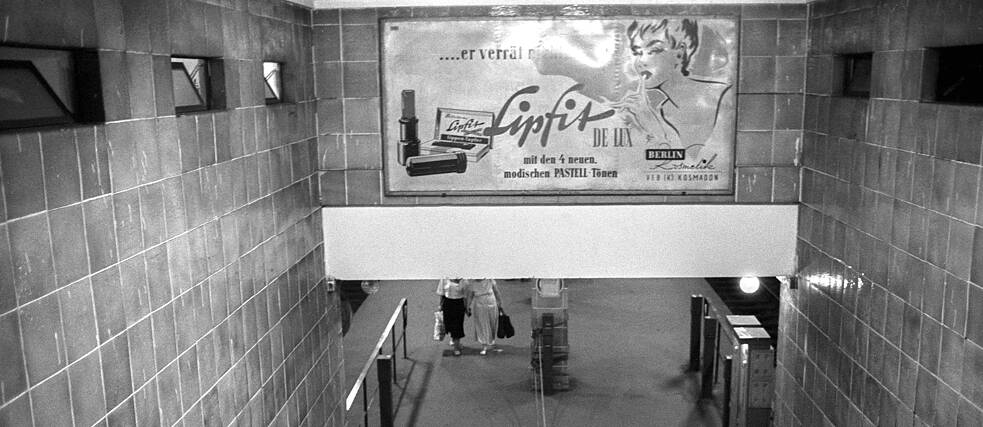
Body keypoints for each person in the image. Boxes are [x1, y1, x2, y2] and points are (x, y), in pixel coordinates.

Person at [609, 18, 732, 153]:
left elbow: (696, 163)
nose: (641, 62)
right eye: (637, 52)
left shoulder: (723, 97)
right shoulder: (662, 110)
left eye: (654, 50)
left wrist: (652, 124)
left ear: (680, 53)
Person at [467, 278, 503, 355]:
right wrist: (467, 306)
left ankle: (491, 339)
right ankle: (484, 345)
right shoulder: (472, 284)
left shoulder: (490, 280)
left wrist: (499, 303)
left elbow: (496, 292)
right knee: (482, 325)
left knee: (492, 323)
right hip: (479, 306)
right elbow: (470, 296)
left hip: (492, 304)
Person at [436, 277, 468, 356]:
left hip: (459, 304)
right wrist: (440, 305)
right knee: (449, 324)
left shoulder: (464, 280)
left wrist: (467, 307)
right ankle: (454, 341)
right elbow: (442, 293)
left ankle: (456, 347)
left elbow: (465, 296)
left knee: (458, 326)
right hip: (448, 303)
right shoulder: (444, 278)